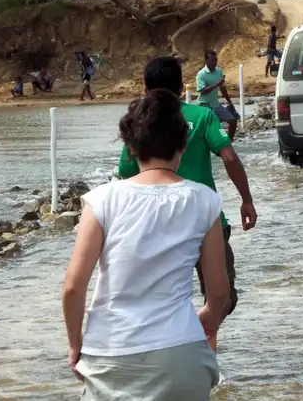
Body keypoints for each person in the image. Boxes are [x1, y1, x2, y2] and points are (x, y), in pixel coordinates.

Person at [63, 89, 228, 399]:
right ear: (183, 143)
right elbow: (219, 293)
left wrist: (75, 344)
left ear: (131, 147)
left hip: (111, 354)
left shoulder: (102, 200)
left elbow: (73, 286)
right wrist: (201, 321)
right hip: (182, 355)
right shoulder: (206, 201)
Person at [118, 57, 257, 353]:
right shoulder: (202, 117)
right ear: (182, 88)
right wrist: (246, 200)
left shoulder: (141, 123)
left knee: (164, 297)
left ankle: (181, 349)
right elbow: (230, 158)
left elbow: (126, 172)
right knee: (221, 298)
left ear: (145, 89)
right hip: (206, 223)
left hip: (158, 226)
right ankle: (202, 351)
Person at [197, 50, 240, 142]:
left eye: (215, 60)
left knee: (232, 120)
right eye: (212, 60)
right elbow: (202, 91)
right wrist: (217, 84)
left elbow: (222, 88)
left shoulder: (219, 71)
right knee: (208, 128)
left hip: (215, 104)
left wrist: (229, 101)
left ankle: (228, 141)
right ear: (206, 61)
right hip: (204, 105)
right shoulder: (201, 74)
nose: (214, 62)